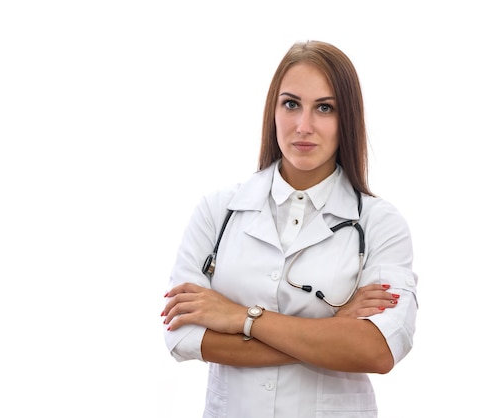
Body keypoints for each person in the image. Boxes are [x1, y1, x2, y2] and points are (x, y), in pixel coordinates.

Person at [162, 40, 418, 418]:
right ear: (273, 111)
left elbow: (377, 351)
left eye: (325, 108)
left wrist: (240, 318)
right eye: (291, 104)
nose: (304, 126)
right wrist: (334, 328)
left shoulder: (380, 223)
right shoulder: (218, 211)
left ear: (347, 118)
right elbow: (182, 335)